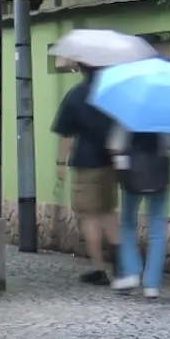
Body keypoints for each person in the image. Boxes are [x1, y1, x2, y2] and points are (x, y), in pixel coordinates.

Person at [52, 64, 120, 284]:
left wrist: (60, 163)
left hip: (86, 163)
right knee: (107, 212)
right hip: (110, 162)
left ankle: (98, 269)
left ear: (83, 69)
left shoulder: (77, 95)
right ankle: (122, 265)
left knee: (90, 216)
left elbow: (66, 134)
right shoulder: (113, 93)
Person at [108, 124, 170, 298]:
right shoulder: (166, 116)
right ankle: (152, 284)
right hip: (159, 173)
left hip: (133, 173)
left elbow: (114, 145)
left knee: (127, 223)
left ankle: (132, 270)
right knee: (157, 228)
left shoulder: (127, 115)